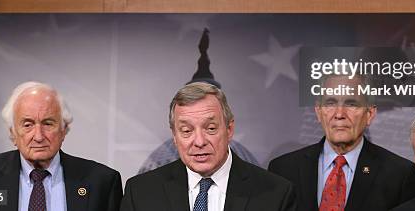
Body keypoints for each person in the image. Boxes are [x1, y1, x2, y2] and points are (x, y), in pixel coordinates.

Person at [120, 81, 296, 211]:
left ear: (229, 129)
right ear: (174, 136)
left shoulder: (276, 194)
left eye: (210, 128)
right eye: (186, 130)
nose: (199, 142)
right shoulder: (141, 192)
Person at [0, 81, 122, 211]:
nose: (38, 136)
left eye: (48, 123)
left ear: (64, 130)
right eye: (27, 124)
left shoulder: (103, 182)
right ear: (13, 133)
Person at [268, 74, 415, 211]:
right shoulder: (282, 170)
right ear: (318, 112)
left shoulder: (400, 175)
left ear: (369, 113)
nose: (339, 114)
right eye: (330, 103)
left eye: (351, 104)